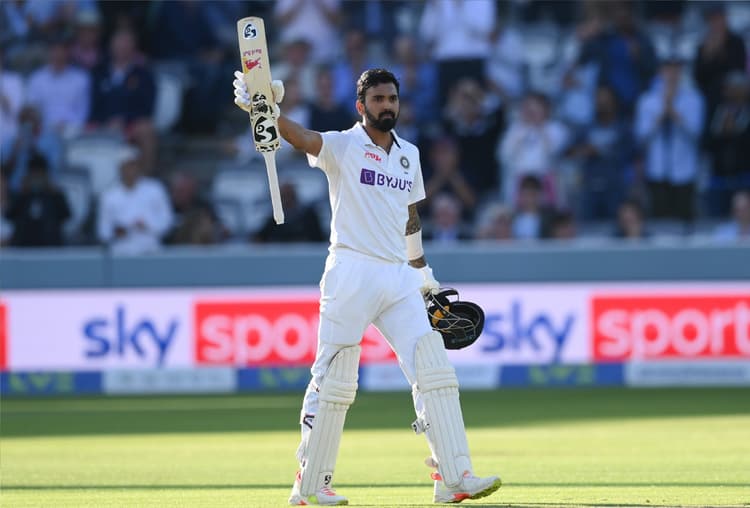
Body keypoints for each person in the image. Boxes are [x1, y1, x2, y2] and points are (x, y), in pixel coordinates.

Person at [233, 68, 501, 505]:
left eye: (392, 98)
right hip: (351, 271)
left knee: (433, 369)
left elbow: (410, 218)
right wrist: (266, 110)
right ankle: (310, 483)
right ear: (361, 106)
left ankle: (453, 476)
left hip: (399, 276)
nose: (387, 105)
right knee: (334, 378)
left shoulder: (409, 154)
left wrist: (423, 274)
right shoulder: (344, 145)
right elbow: (302, 138)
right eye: (378, 99)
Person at [97, 155, 173, 255]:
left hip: (151, 251)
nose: (130, 170)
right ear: (120, 168)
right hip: (120, 253)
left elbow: (167, 221)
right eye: (127, 166)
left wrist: (147, 225)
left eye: (133, 166)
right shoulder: (109, 195)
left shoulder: (155, 189)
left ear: (139, 167)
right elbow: (103, 231)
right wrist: (116, 232)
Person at [3, 153, 70, 247]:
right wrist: (22, 193)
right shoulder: (21, 195)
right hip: (23, 247)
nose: (37, 177)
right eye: (34, 174)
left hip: (51, 246)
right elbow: (8, 215)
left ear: (46, 175)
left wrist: (53, 192)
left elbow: (67, 215)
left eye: (40, 174)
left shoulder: (55, 195)